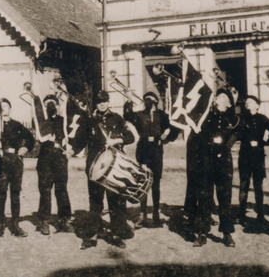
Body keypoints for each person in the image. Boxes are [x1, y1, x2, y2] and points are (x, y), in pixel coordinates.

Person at [80, 91, 136, 249]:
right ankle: (92, 235)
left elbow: (130, 137)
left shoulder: (117, 118)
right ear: (95, 104)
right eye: (99, 102)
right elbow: (81, 138)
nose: (102, 104)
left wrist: (117, 140)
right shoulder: (90, 120)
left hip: (114, 166)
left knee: (116, 201)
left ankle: (117, 234)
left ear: (109, 102)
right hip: (95, 165)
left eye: (104, 101)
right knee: (95, 202)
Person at [193, 88, 240, 248]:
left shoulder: (232, 117)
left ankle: (227, 234)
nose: (217, 98)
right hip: (207, 160)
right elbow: (200, 134)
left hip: (224, 162)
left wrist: (225, 148)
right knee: (204, 196)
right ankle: (202, 233)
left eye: (221, 97)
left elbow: (235, 134)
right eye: (217, 96)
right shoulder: (207, 116)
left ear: (227, 103)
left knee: (225, 198)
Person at [0, 98, 35, 239]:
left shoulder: (17, 125)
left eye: (5, 106)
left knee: (15, 194)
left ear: (10, 109)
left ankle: (15, 225)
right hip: (1, 161)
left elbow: (30, 138)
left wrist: (25, 148)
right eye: (0, 107)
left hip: (15, 162)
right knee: (1, 194)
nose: (3, 109)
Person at [123, 91, 171, 228]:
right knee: (143, 182)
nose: (148, 102)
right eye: (146, 100)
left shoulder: (162, 115)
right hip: (143, 150)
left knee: (156, 183)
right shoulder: (140, 115)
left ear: (156, 101)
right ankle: (143, 215)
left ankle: (155, 212)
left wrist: (166, 134)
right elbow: (127, 115)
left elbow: (171, 127)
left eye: (150, 100)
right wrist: (129, 101)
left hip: (156, 150)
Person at [35, 95, 76, 236]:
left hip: (59, 158)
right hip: (45, 159)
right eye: (47, 104)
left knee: (62, 190)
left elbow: (70, 136)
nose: (51, 106)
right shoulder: (41, 121)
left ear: (58, 106)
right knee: (45, 190)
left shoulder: (63, 121)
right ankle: (44, 221)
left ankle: (64, 220)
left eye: (53, 104)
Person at [235, 95, 269, 226]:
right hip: (245, 155)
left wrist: (267, 142)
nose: (247, 104)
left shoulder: (262, 119)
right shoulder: (241, 118)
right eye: (246, 102)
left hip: (258, 155)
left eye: (250, 102)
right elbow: (236, 132)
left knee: (258, 185)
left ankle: (260, 214)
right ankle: (241, 214)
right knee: (244, 184)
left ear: (257, 105)